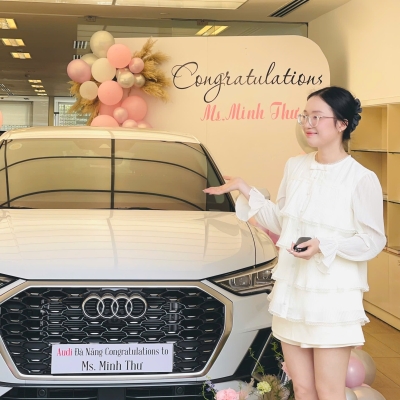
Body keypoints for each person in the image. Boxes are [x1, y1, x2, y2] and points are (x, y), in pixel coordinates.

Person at [203, 86, 386, 400]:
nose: (308, 124)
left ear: (342, 124)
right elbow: (282, 222)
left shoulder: (360, 178)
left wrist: (323, 244)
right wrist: (244, 188)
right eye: (305, 116)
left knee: (329, 390)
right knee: (302, 388)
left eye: (317, 117)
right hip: (293, 294)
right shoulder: (295, 166)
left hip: (331, 298)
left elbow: (372, 240)